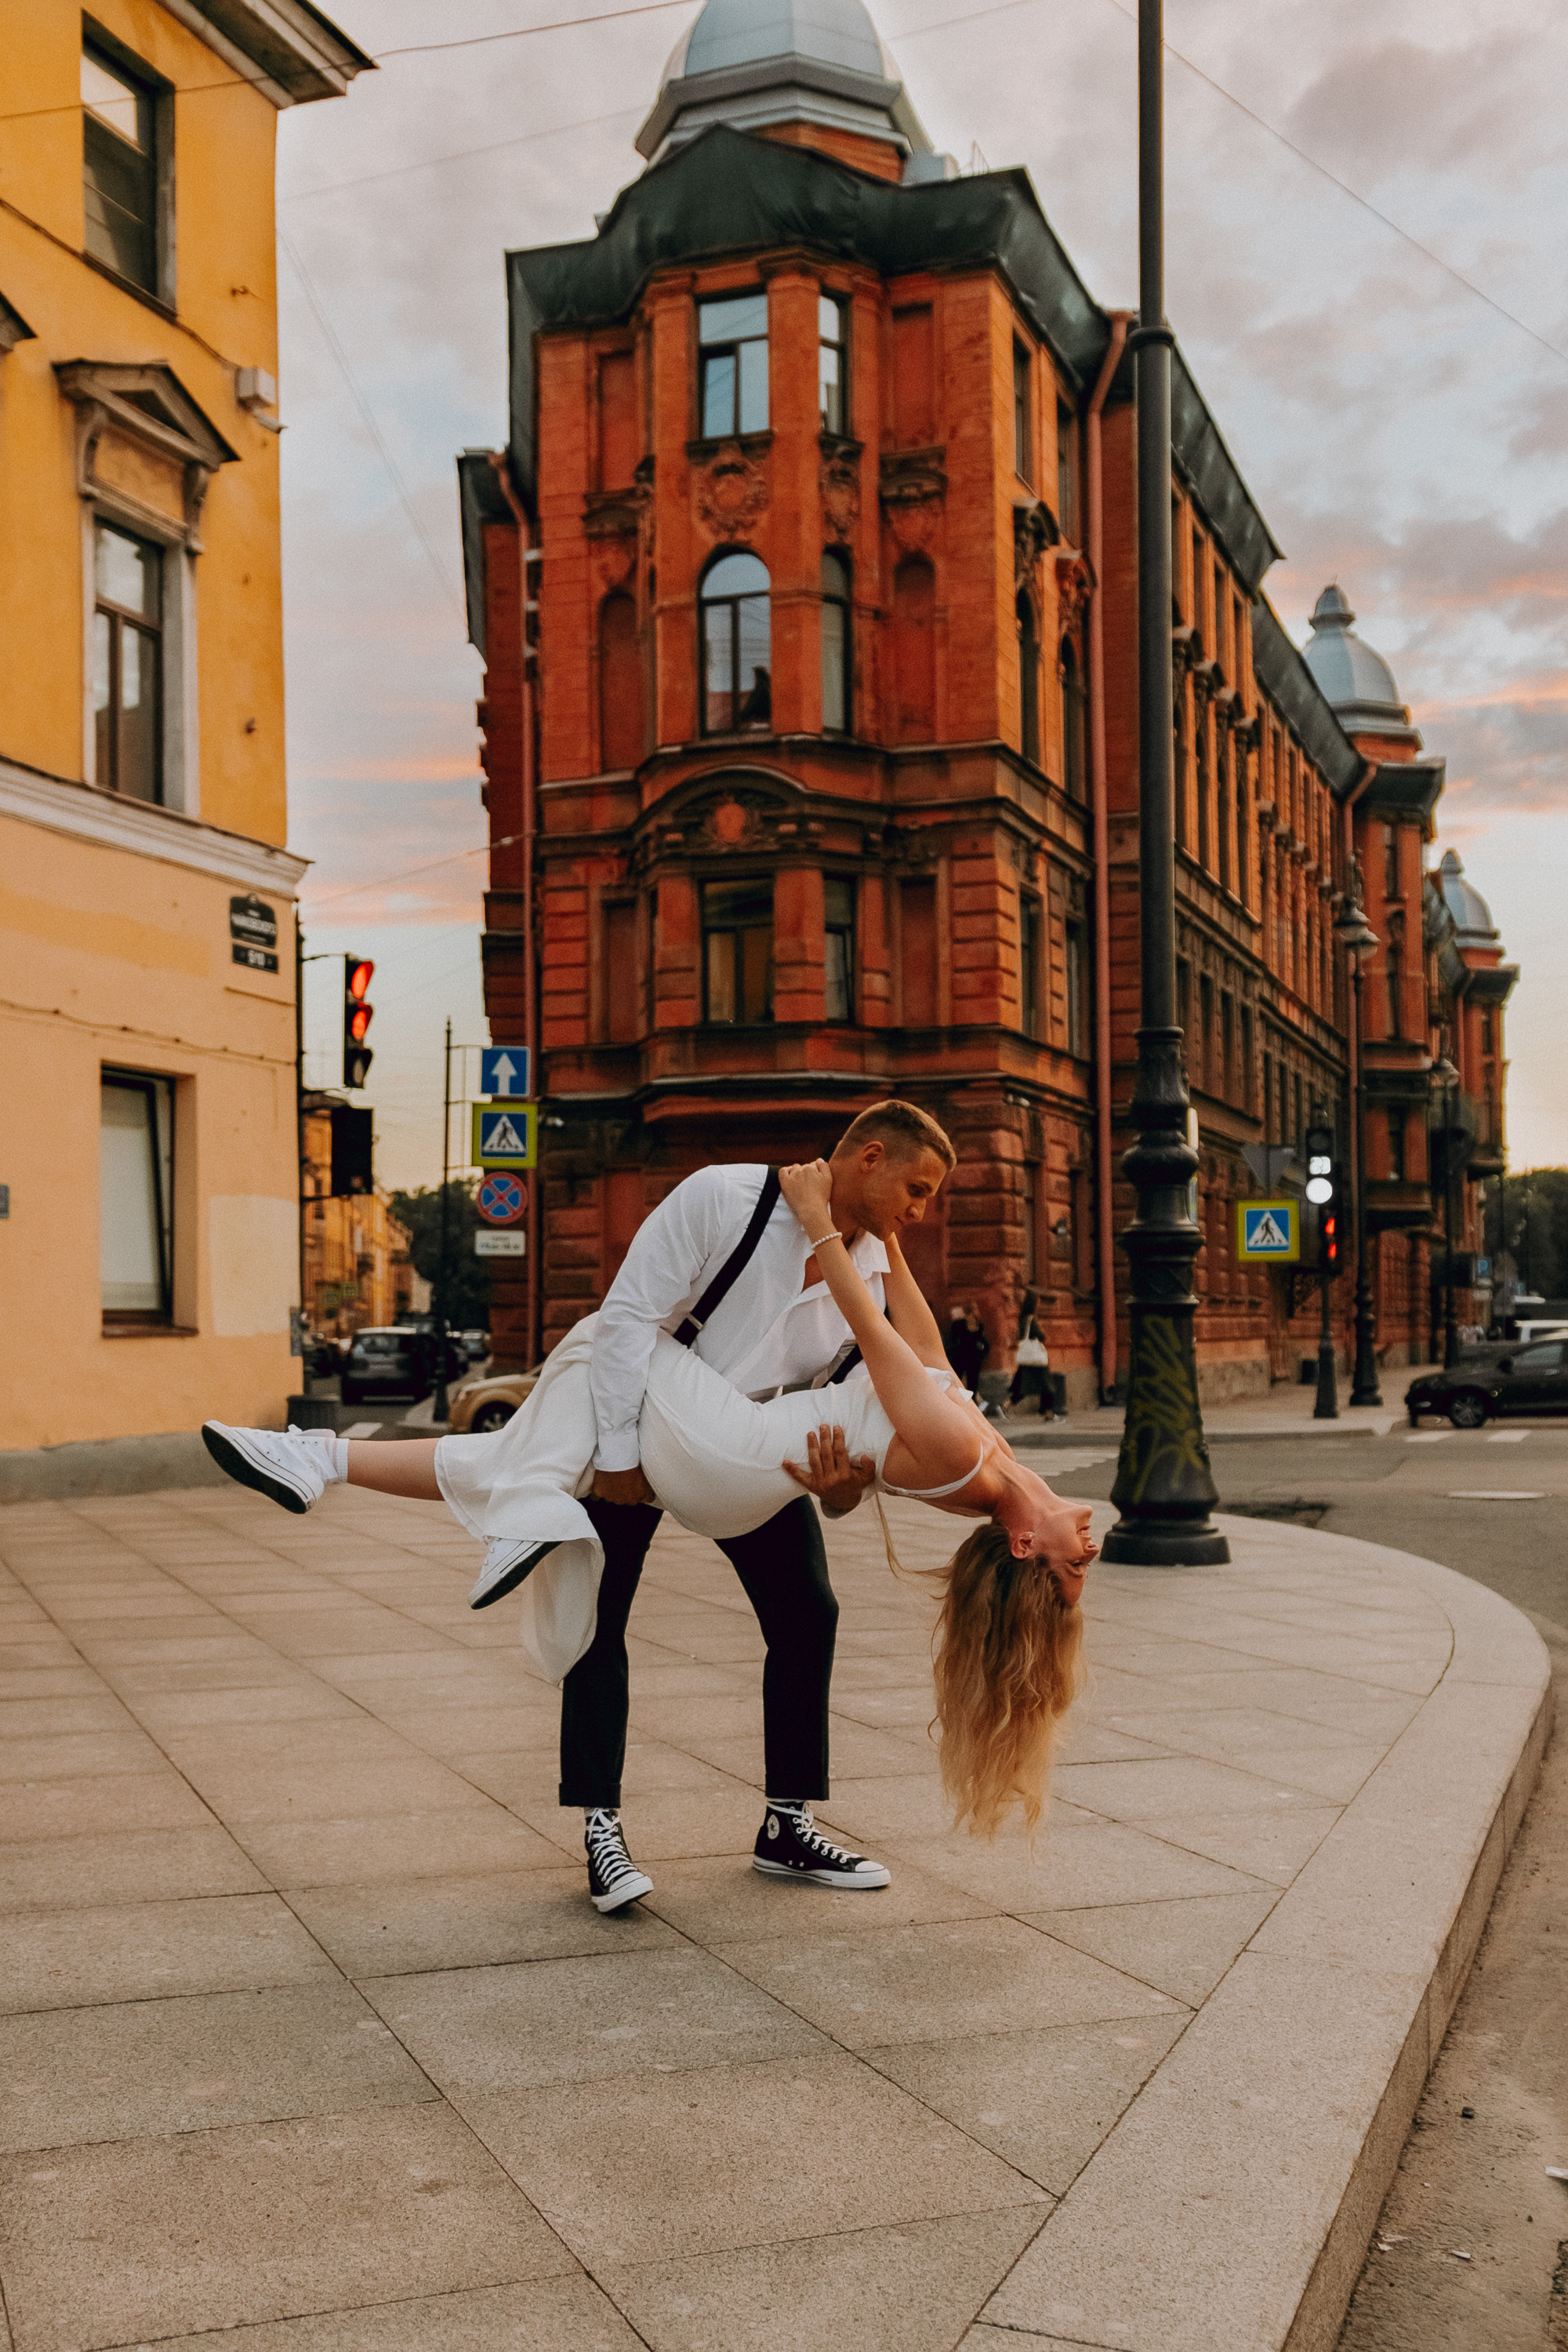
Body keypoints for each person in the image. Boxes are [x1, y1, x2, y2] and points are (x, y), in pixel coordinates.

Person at [204, 1149, 1094, 1889]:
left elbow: (872, 1367)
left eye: (927, 1198)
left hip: (734, 1455)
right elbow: (902, 1350)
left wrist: (837, 1488)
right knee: (601, 1606)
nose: (921, 1211)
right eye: (916, 1190)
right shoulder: (724, 1198)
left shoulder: (870, 1296)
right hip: (651, 1429)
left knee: (798, 1607)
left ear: (1022, 1546)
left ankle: (785, 1823)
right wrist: (622, 1455)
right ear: (869, 1161)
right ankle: (601, 1826)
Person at [945, 1304, 989, 1393]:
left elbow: (983, 1341)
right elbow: (953, 1340)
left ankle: (971, 1398)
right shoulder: (958, 1325)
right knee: (957, 1380)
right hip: (961, 1358)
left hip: (974, 1359)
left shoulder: (979, 1325)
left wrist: (981, 1355)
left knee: (973, 1384)